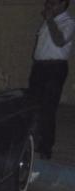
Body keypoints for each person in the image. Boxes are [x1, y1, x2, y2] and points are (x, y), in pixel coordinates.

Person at [28, 0, 75, 160]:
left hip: (54, 69)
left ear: (62, 4)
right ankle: (35, 141)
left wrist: (49, 20)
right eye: (47, 3)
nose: (47, 6)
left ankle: (46, 147)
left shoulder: (68, 22)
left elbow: (59, 41)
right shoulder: (48, 22)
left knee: (48, 108)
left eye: (52, 3)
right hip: (40, 68)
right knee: (34, 105)